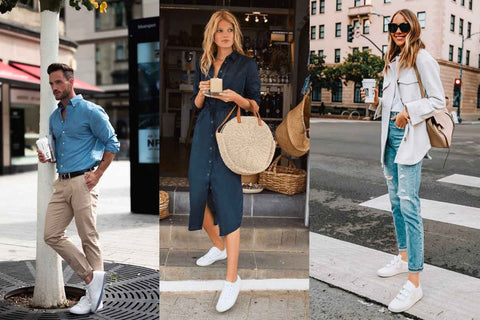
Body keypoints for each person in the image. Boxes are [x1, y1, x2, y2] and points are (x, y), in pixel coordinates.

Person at [362, 9, 445, 313]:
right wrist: (377, 102)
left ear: (414, 27)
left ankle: (414, 283)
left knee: (410, 204)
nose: (398, 30)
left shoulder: (422, 58)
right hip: (389, 138)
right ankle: (403, 257)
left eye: (404, 25)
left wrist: (408, 112)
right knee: (396, 202)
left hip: (409, 137)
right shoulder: (392, 60)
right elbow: (391, 103)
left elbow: (438, 102)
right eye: (394, 26)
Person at [188, 9, 260, 313]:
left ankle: (232, 279)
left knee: (228, 199)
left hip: (230, 133)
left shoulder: (246, 63)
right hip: (204, 131)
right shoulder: (203, 62)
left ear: (236, 33)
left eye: (230, 29)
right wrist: (204, 92)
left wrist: (236, 98)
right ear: (212, 35)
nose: (225, 34)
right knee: (196, 192)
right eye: (220, 30)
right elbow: (195, 102)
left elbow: (255, 104)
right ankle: (218, 246)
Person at [37, 63, 120, 315]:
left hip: (84, 181)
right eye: (51, 83)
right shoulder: (54, 117)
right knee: (51, 234)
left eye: (59, 82)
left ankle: (95, 298)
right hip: (62, 183)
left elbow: (112, 142)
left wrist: (98, 174)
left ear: (71, 82)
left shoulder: (90, 111)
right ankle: (90, 278)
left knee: (88, 238)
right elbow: (57, 152)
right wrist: (47, 157)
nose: (54, 88)